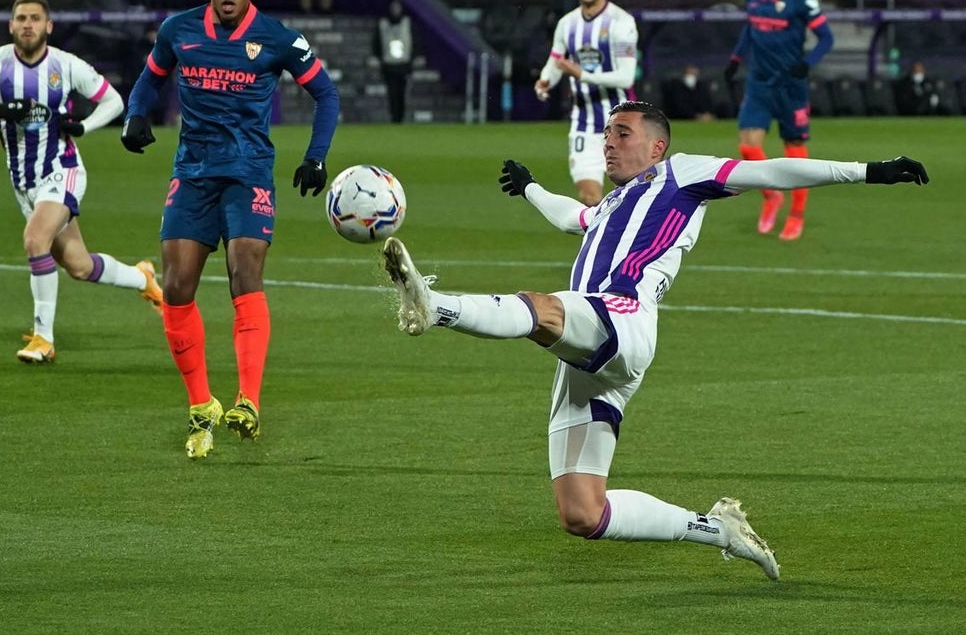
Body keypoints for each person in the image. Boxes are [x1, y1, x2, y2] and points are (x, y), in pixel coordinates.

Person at [381, 100, 928, 580]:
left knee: (542, 309)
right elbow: (574, 217)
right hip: (589, 355)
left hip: (622, 318)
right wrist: (529, 188)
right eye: (607, 135)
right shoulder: (614, 204)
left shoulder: (683, 174)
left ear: (657, 144)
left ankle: (436, 307)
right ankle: (718, 530)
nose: (609, 143)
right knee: (581, 513)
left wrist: (870, 170)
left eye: (623, 133)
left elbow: (776, 171)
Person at [120, 0, 340, 459]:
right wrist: (135, 115)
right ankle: (202, 404)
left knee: (244, 273)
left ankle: (249, 401)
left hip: (248, 174)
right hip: (192, 173)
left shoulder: (279, 38)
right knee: (175, 287)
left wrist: (316, 157)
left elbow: (326, 95)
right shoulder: (178, 31)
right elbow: (150, 79)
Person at [0, 0, 164, 363]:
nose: (27, 24)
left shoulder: (65, 65)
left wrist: (84, 126)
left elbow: (113, 102)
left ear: (49, 26)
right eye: (20, 18)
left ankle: (43, 339)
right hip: (24, 182)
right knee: (79, 265)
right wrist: (0, 110)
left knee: (35, 239)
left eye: (35, 18)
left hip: (61, 171)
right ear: (10, 25)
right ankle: (143, 278)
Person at [724, 0, 834, 242]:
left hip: (790, 85)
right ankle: (772, 194)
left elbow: (826, 38)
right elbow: (750, 29)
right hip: (759, 82)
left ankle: (796, 215)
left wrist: (807, 64)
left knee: (795, 153)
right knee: (747, 147)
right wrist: (736, 59)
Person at [534, 0, 638, 207]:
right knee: (590, 199)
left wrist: (582, 74)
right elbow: (556, 61)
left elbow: (625, 77)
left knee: (631, 199)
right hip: (584, 124)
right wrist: (545, 80)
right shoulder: (566, 24)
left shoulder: (622, 22)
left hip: (623, 124)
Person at [372, 0, 415, 124]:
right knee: (392, 93)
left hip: (403, 64)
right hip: (389, 65)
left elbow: (414, 42)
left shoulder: (407, 23)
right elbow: (376, 43)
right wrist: (379, 58)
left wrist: (412, 59)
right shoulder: (383, 24)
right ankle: (394, 117)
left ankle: (400, 116)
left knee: (401, 93)